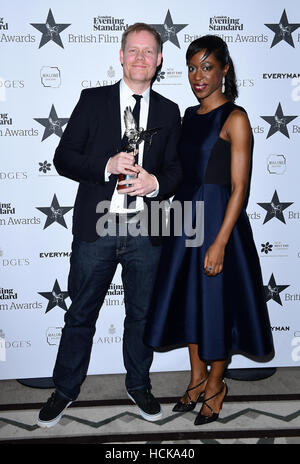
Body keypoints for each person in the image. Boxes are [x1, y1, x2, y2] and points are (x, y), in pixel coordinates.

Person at [37, 23, 182, 428]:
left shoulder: (170, 112)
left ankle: (138, 384)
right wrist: (106, 165)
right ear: (121, 56)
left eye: (148, 52)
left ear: (158, 61)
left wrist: (156, 183)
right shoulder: (92, 100)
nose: (140, 58)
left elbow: (176, 170)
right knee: (80, 314)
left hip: (145, 228)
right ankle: (65, 389)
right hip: (95, 228)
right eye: (133, 50)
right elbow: (64, 158)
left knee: (141, 315)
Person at [145, 35, 274, 426]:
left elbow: (240, 189)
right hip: (184, 221)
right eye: (191, 67)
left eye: (206, 67)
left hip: (219, 224)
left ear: (224, 70)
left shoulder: (235, 118)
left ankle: (217, 384)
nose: (197, 76)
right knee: (190, 302)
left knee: (214, 306)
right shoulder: (187, 115)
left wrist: (219, 242)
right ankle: (197, 377)